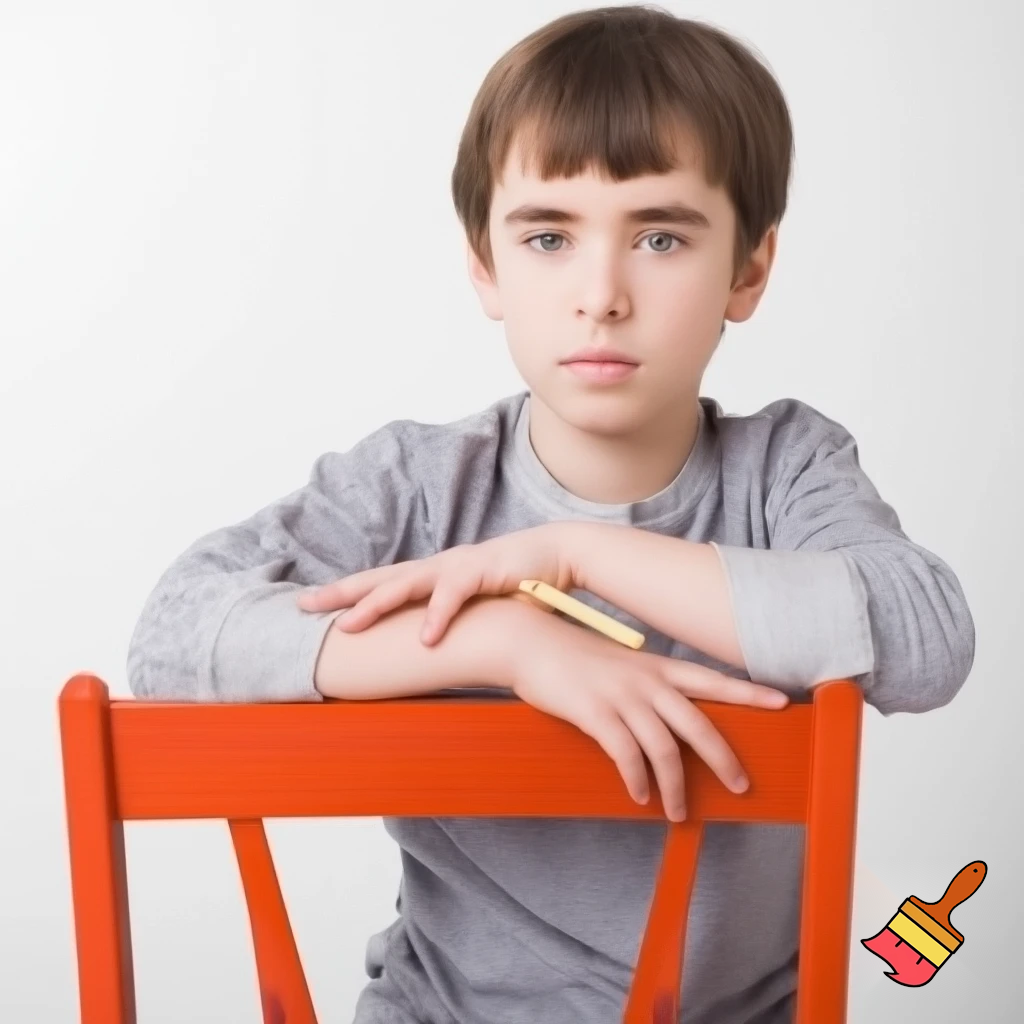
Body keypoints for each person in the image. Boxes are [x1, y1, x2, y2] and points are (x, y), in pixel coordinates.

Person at [127, 6, 975, 1022]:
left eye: (660, 236)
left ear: (747, 269)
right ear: (485, 265)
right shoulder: (415, 485)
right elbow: (172, 633)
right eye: (547, 237)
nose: (600, 294)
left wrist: (574, 552)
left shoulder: (784, 470)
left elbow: (925, 640)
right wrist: (502, 638)